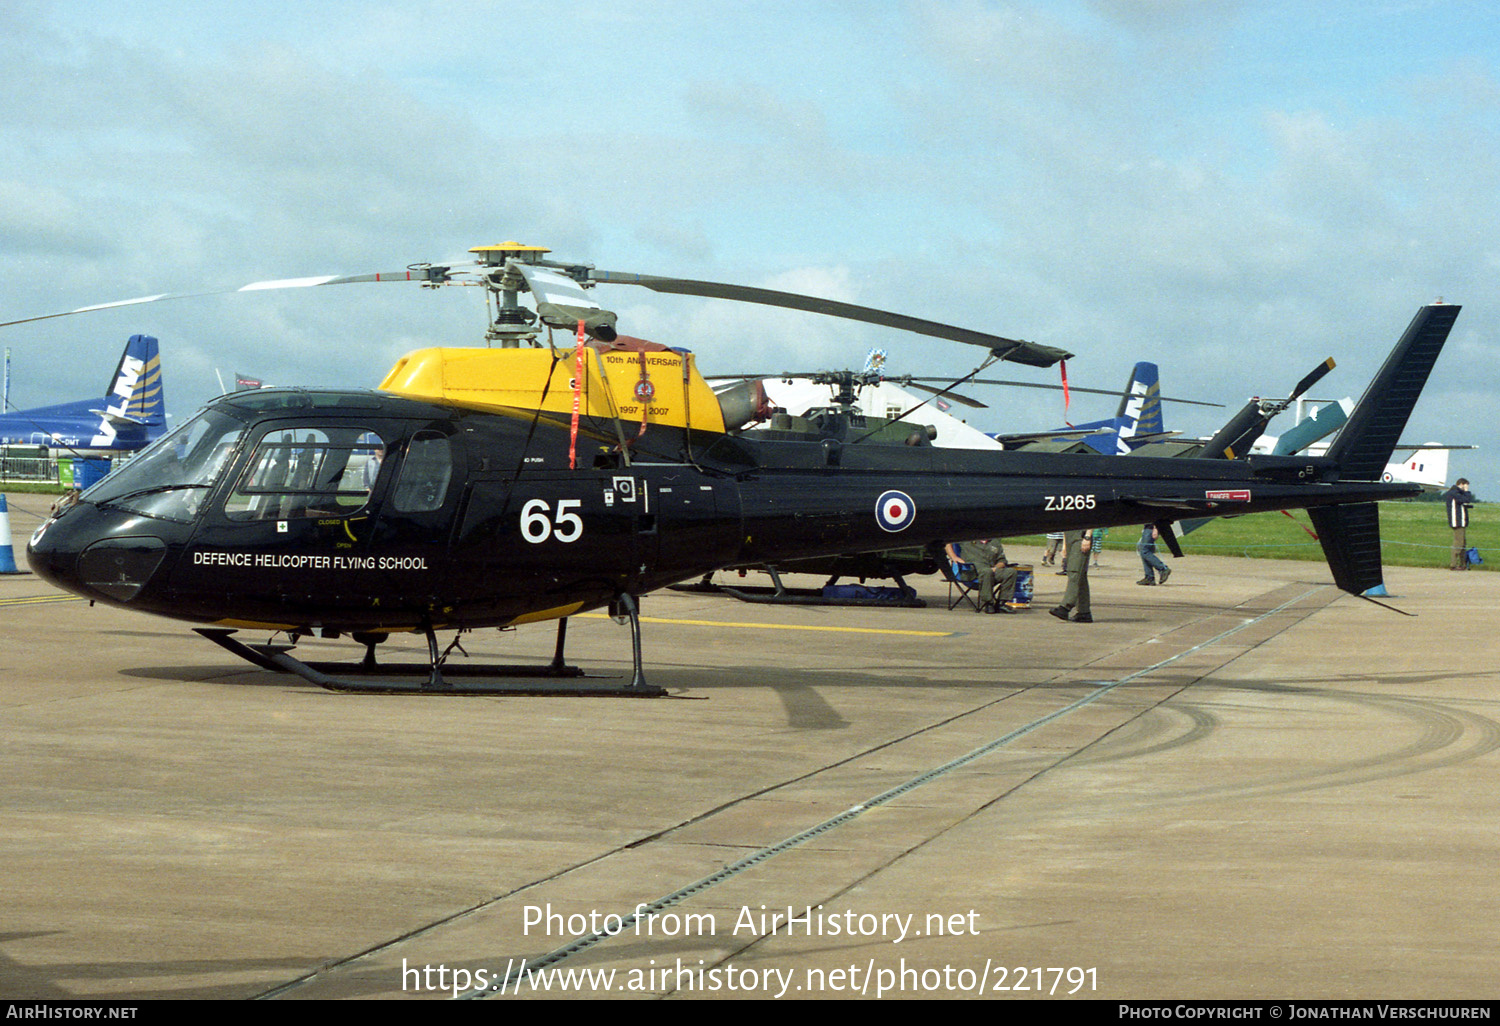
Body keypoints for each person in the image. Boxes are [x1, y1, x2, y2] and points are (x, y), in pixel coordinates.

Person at [948, 539, 1018, 613]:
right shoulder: (967, 538)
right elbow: (947, 542)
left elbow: (1002, 561)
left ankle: (1001, 603)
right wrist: (954, 557)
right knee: (987, 572)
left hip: (991, 571)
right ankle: (988, 603)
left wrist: (996, 568)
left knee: (1010, 572)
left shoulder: (994, 542)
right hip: (971, 572)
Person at [1049, 528, 1093, 623]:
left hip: (1081, 535)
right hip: (1069, 534)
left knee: (1075, 572)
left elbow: (1093, 519)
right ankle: (1084, 612)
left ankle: (1065, 607)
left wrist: (1087, 536)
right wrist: (1065, 545)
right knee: (1080, 575)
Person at [1443, 477, 1476, 570]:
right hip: (1457, 522)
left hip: (1461, 521)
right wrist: (1466, 491)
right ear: (1461, 484)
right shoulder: (1454, 493)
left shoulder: (1456, 493)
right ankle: (1453, 564)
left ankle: (1462, 564)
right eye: (1465, 486)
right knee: (1459, 543)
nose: (1466, 488)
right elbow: (1466, 500)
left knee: (1463, 543)